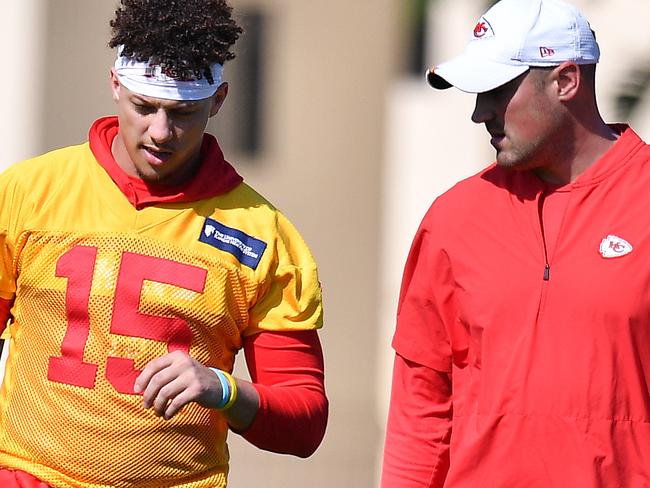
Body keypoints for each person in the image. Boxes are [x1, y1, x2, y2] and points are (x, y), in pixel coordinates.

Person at [0, 1, 328, 487]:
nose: (160, 132)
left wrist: (223, 389)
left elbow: (304, 423)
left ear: (218, 100)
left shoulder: (263, 236)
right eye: (144, 106)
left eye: (182, 112)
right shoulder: (30, 190)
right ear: (115, 83)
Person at [381, 0, 650, 486]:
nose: (480, 113)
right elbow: (421, 404)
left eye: (498, 90)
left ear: (566, 81)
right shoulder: (454, 218)